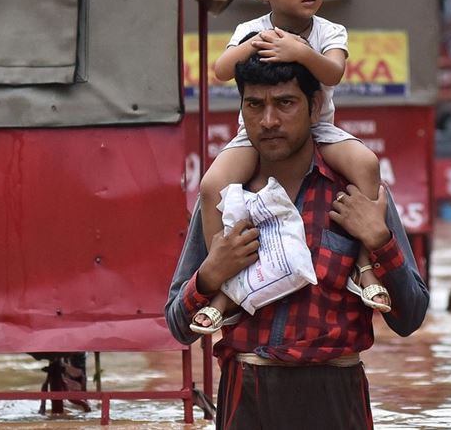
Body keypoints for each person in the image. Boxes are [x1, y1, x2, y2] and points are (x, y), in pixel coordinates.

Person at [164, 52, 429, 429]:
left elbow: (410, 318)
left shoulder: (356, 195)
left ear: (314, 106)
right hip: (247, 397)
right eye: (255, 105)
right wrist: (210, 276)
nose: (269, 121)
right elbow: (179, 326)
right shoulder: (227, 200)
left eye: (285, 103)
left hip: (338, 398)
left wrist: (379, 240)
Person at [194, 0, 387, 335]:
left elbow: (333, 72)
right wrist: (256, 43)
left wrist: (300, 51)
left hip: (321, 132)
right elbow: (222, 70)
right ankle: (224, 279)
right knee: (211, 185)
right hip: (252, 140)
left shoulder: (329, 32)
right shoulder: (252, 29)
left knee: (366, 163)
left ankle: (365, 265)